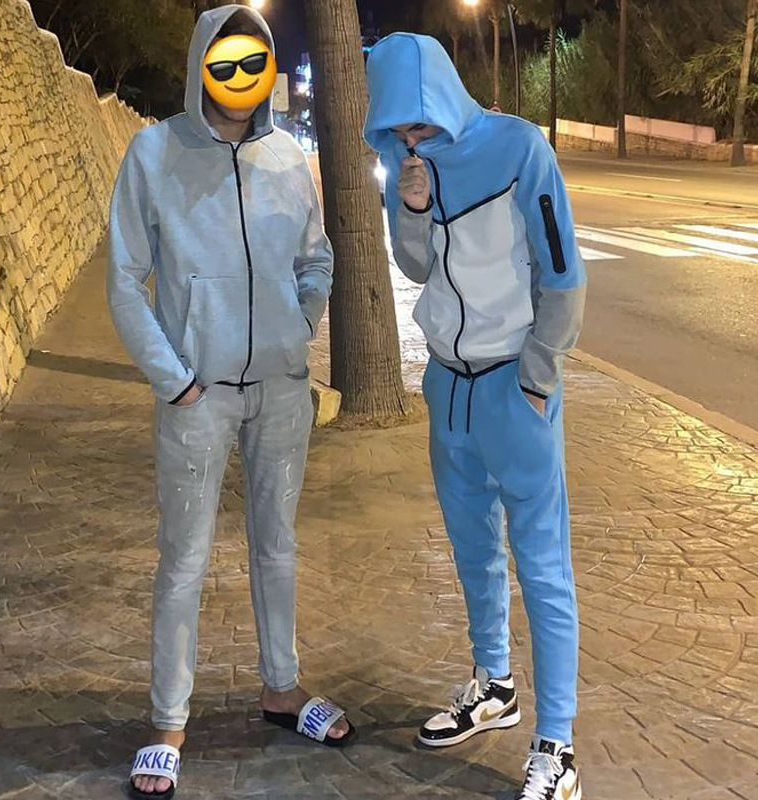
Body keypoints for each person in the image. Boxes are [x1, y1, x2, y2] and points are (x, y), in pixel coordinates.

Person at [108, 7, 353, 798]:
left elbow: (316, 258)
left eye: (255, 60)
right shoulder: (155, 153)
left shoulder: (288, 158)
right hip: (198, 394)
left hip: (280, 390)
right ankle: (167, 721)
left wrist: (296, 329)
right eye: (227, 58)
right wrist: (172, 377)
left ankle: (281, 688)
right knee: (184, 558)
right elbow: (124, 279)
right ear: (201, 63)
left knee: (277, 544)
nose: (241, 76)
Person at [365, 33, 586, 800]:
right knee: (472, 550)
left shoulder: (521, 149)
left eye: (419, 121)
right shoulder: (405, 163)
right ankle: (494, 684)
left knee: (543, 565)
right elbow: (416, 265)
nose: (410, 136)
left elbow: (564, 275)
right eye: (396, 126)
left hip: (512, 386)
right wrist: (412, 207)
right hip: (448, 386)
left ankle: (557, 746)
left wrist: (537, 379)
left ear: (442, 96)